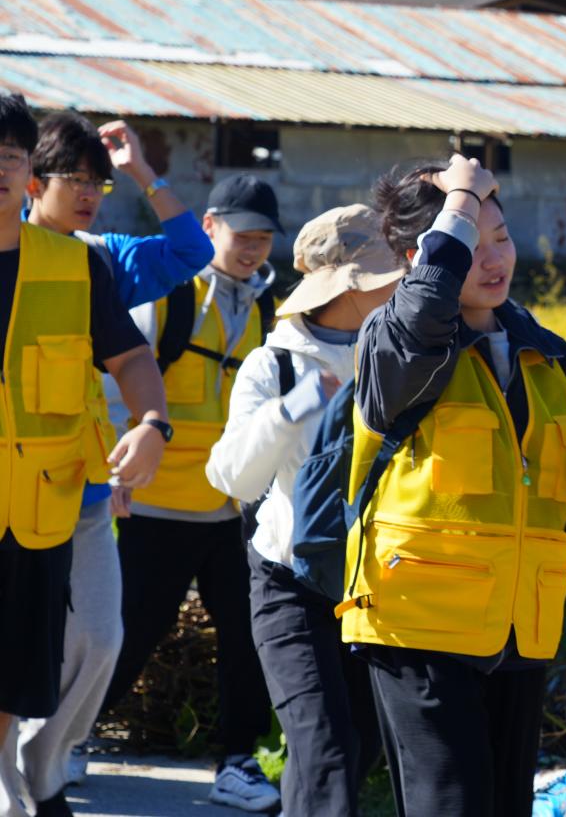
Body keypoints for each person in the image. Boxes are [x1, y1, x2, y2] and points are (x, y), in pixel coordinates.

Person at [346, 154, 566, 816]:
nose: (495, 258)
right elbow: (423, 314)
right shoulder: (396, 342)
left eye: (501, 238)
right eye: (473, 245)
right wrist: (461, 204)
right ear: (423, 256)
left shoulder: (550, 355)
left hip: (518, 628)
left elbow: (559, 495)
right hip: (419, 623)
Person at [10, 112, 212, 817]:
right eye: (76, 179)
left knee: (99, 640)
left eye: (99, 183)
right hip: (13, 488)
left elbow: (190, 251)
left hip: (83, 483)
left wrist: (142, 172)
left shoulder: (98, 259)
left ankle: (43, 757)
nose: (90, 194)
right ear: (33, 181)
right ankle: (16, 781)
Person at [204, 205, 405, 817]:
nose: (402, 289)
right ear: (349, 287)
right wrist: (291, 410)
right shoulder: (275, 365)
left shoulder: (403, 358)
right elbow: (233, 476)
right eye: (388, 277)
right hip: (289, 581)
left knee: (358, 746)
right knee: (325, 752)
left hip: (373, 585)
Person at [99, 173, 285, 812]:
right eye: (243, 235)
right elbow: (116, 384)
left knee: (248, 638)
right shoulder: (171, 294)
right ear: (209, 227)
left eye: (263, 239)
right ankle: (64, 735)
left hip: (234, 506)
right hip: (157, 500)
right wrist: (112, 475)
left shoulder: (266, 305)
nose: (253, 249)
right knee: (127, 633)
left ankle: (238, 761)